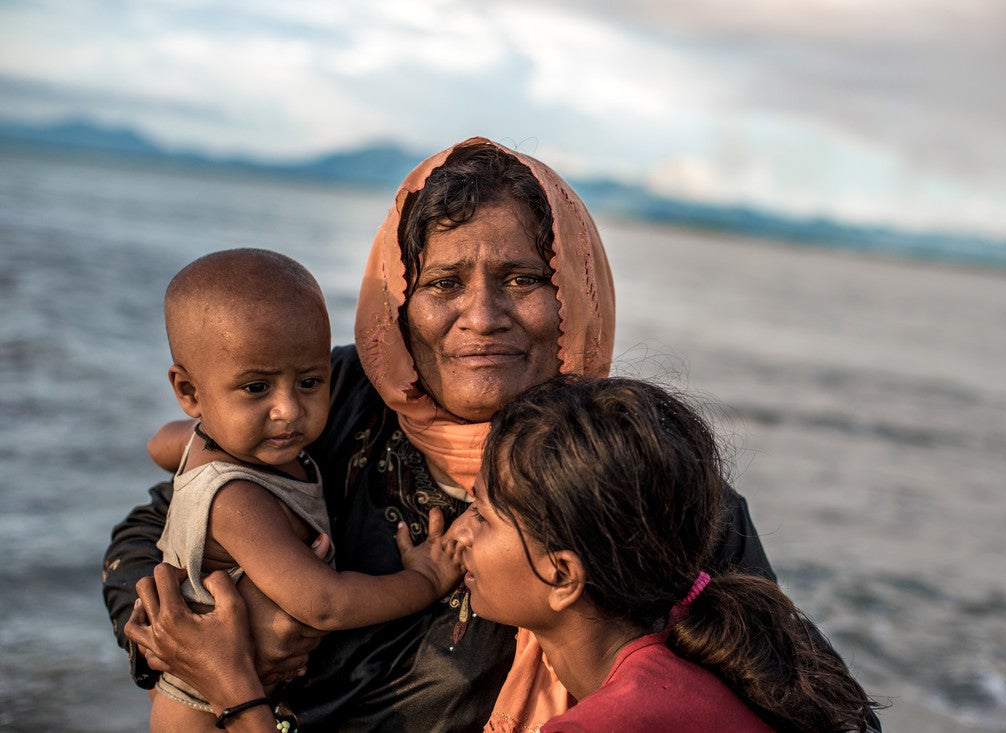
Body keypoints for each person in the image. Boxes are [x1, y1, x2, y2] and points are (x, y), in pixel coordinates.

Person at [105, 137, 879, 732]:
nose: (482, 317)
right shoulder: (330, 398)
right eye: (443, 284)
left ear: (573, 290)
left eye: (521, 278)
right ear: (400, 304)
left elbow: (793, 692)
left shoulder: (639, 473)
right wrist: (193, 637)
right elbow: (162, 523)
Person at [125, 375, 879, 732]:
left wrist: (233, 686)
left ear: (561, 574)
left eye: (479, 516)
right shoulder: (687, 661)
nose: (457, 535)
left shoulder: (607, 723)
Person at [146, 249, 462, 731]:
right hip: (202, 709)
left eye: (310, 381)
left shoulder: (208, 436)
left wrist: (194, 436)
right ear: (190, 392)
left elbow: (159, 445)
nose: (289, 410)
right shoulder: (238, 500)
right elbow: (324, 603)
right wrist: (425, 582)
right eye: (256, 388)